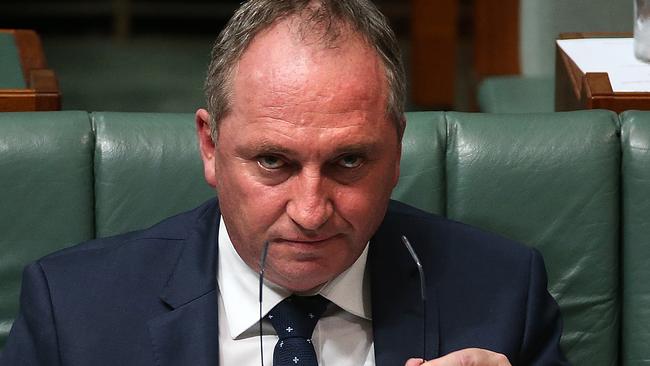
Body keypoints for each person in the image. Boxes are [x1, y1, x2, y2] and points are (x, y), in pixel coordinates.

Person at [0, 0, 568, 365]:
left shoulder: (504, 296)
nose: (311, 211)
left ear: (396, 151)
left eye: (349, 162)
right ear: (211, 147)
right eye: (273, 162)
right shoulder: (73, 314)